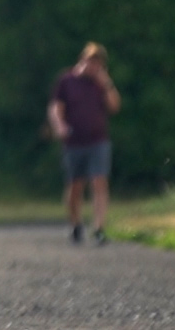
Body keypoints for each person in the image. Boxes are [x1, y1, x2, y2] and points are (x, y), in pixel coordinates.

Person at [48, 42, 121, 245]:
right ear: (83, 60)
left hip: (98, 140)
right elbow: (56, 107)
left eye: (98, 63)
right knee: (75, 186)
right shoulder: (67, 80)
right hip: (74, 142)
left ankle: (99, 228)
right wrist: (60, 125)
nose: (93, 67)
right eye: (91, 61)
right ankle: (76, 223)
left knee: (99, 181)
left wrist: (107, 83)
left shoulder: (100, 84)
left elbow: (114, 106)